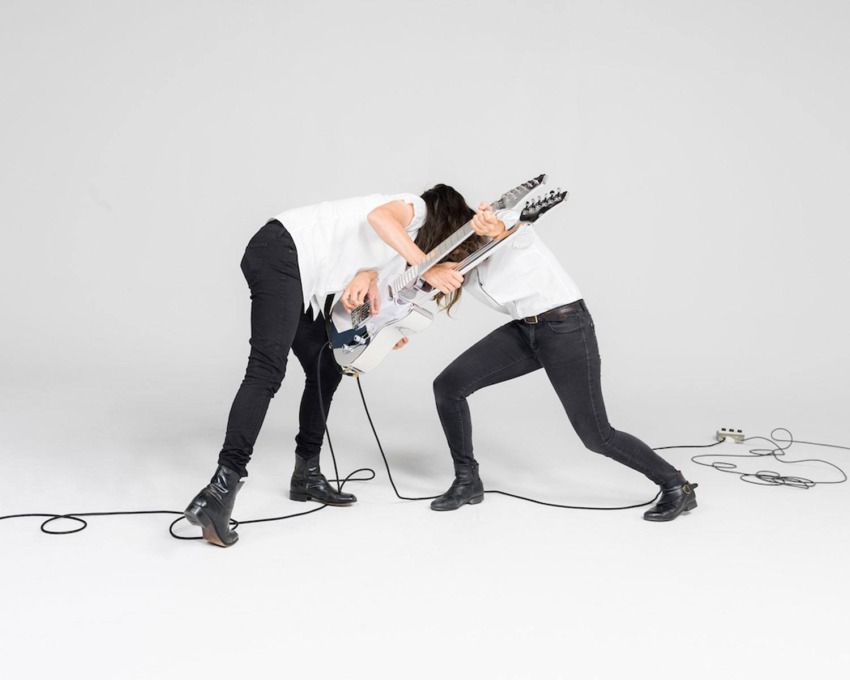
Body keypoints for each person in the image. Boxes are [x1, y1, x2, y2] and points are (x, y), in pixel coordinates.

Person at [185, 185, 482, 547]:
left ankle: (306, 474)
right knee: (266, 369)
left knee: (326, 365)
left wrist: (388, 328)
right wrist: (429, 266)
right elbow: (379, 219)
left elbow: (369, 282)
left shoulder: (397, 249)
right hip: (279, 251)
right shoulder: (415, 208)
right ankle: (220, 490)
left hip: (289, 264)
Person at [429, 203, 698, 521]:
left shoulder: (506, 228)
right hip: (524, 330)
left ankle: (676, 486)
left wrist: (495, 225)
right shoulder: (460, 266)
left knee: (596, 436)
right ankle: (467, 481)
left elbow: (510, 226)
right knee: (448, 386)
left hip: (566, 327)